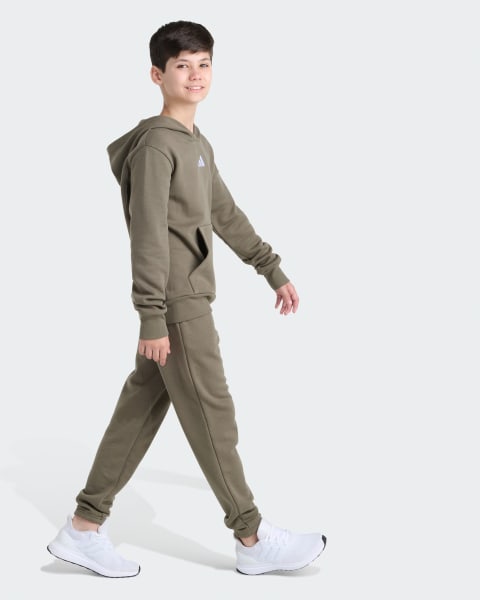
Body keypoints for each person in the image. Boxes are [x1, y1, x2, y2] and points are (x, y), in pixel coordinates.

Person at [47, 20, 326, 578]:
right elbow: (148, 234)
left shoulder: (196, 143)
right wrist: (152, 315)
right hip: (177, 302)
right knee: (212, 413)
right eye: (182, 66)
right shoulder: (156, 146)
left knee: (139, 410)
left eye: (204, 64)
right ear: (158, 75)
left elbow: (224, 213)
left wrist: (270, 268)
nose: (195, 75)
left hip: (185, 297)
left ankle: (83, 527)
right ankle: (251, 535)